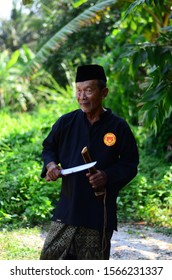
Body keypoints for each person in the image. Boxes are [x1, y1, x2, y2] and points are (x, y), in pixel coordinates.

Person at [39, 64, 139, 260]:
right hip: (67, 210)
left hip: (98, 214)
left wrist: (107, 176)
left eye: (88, 90)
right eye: (78, 91)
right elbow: (49, 148)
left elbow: (130, 163)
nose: (82, 97)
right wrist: (51, 165)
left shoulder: (118, 127)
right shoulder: (66, 122)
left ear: (104, 93)